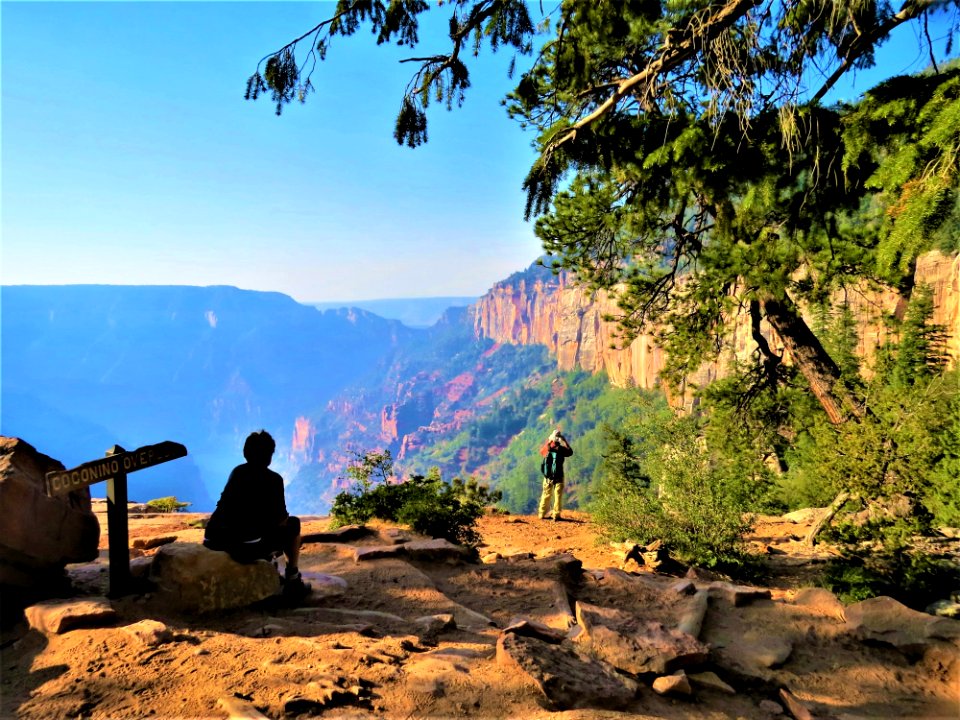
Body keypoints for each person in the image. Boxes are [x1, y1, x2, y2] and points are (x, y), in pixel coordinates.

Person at [203, 430, 310, 598]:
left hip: (212, 540)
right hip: (244, 548)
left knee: (257, 531)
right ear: (269, 456)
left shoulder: (237, 472)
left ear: (245, 453)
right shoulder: (274, 479)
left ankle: (272, 566)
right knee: (294, 524)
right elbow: (281, 520)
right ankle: (292, 577)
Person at [538, 428, 573, 521]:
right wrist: (564, 440)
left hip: (547, 477)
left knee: (546, 494)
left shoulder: (548, 448)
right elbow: (570, 452)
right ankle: (556, 515)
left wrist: (549, 441)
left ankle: (541, 514)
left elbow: (541, 452)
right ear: (559, 439)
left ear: (552, 439)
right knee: (558, 496)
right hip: (559, 476)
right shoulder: (561, 449)